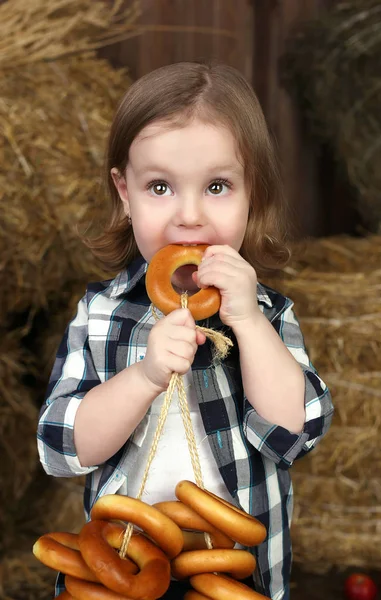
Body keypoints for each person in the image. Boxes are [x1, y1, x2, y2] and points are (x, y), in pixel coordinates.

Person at [37, 62, 333, 600]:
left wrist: (246, 322)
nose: (190, 216)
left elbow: (294, 435)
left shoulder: (266, 313)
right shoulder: (102, 313)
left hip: (235, 572)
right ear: (124, 194)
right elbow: (61, 448)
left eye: (217, 186)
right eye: (160, 187)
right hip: (123, 568)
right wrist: (145, 376)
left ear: (253, 195)